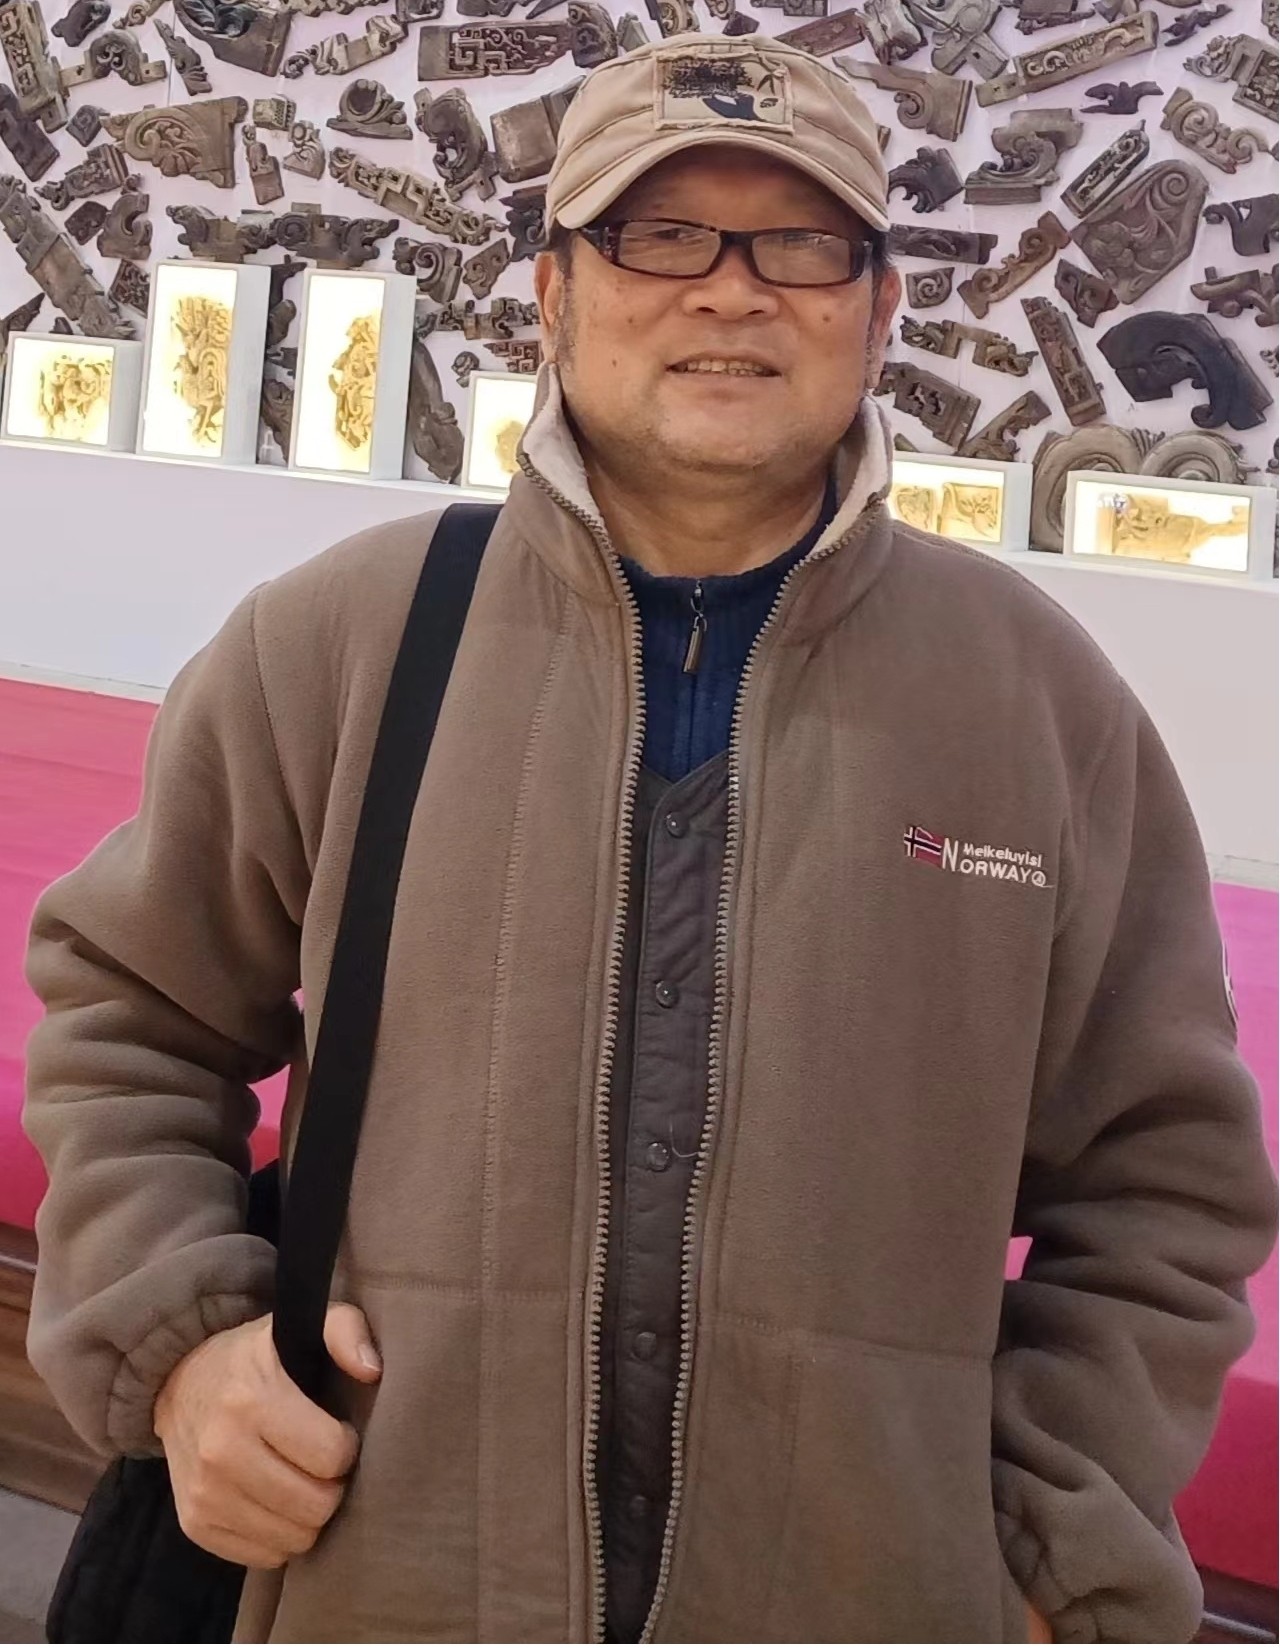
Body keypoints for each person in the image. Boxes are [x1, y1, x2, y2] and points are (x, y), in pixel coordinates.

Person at [21, 32, 1278, 1647]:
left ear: (881, 308)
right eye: (659, 235)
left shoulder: (1038, 701)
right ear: (554, 294)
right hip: (391, 1583)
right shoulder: (341, 642)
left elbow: (1164, 1176)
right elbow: (131, 1014)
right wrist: (183, 1345)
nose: (732, 293)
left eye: (801, 245)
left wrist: (1050, 1543)